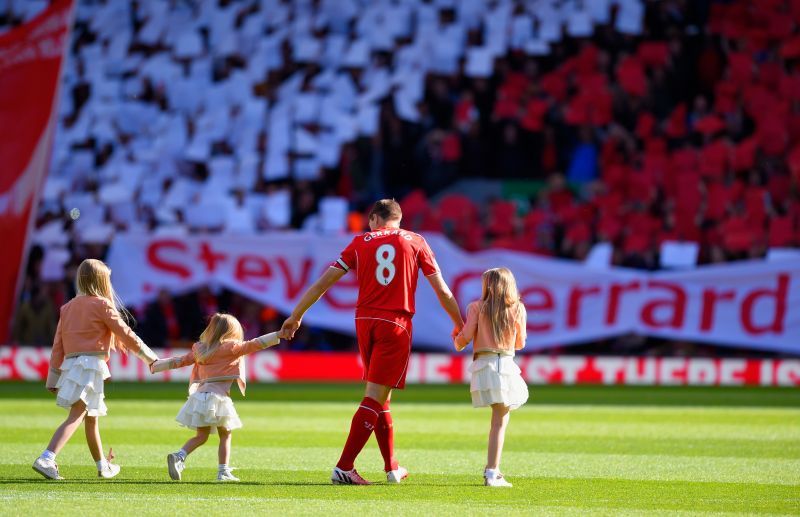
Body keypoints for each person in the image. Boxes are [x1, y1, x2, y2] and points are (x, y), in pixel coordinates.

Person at [281, 198, 464, 485]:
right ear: (398, 220)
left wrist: (296, 315)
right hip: (396, 323)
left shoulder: (360, 241)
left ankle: (392, 467)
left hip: (364, 322)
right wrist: (459, 324)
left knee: (381, 395)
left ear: (376, 220)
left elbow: (322, 283)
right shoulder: (415, 241)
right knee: (374, 397)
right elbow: (441, 289)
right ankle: (344, 467)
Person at [33, 259, 159, 480]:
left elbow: (58, 345)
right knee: (78, 414)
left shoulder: (67, 307)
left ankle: (103, 466)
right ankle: (47, 457)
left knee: (91, 418)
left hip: (73, 366)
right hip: (89, 366)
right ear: (102, 281)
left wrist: (53, 377)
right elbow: (126, 334)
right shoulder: (102, 304)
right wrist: (150, 357)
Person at [150, 313, 284, 482]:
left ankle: (180, 456)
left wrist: (156, 366)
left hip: (200, 397)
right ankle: (223, 471)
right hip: (219, 398)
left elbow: (180, 361)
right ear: (232, 331)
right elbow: (255, 344)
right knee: (226, 435)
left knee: (201, 436)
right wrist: (278, 335)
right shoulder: (232, 347)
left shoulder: (201, 349)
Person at [453, 268, 528, 487]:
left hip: (483, 365)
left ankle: (493, 469)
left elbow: (464, 338)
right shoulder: (518, 309)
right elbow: (520, 343)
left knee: (497, 421)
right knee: (499, 423)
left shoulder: (476, 307)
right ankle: (492, 472)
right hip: (504, 365)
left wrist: (457, 340)